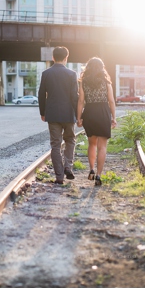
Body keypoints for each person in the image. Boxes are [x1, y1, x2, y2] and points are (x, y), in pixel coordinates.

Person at [38, 46, 79, 185]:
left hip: (53, 114)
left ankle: (59, 177)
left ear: (53, 58)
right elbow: (74, 96)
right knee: (70, 140)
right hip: (68, 114)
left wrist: (43, 112)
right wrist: (78, 114)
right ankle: (68, 166)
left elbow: (41, 94)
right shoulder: (72, 74)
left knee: (55, 145)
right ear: (66, 58)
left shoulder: (46, 74)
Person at [76, 57, 117, 186]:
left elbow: (81, 101)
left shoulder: (84, 82)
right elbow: (111, 101)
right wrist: (113, 117)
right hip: (103, 112)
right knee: (102, 146)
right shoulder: (106, 82)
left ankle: (91, 169)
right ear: (101, 68)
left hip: (89, 113)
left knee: (92, 144)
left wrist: (79, 117)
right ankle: (99, 175)